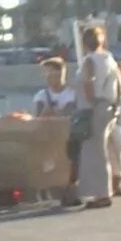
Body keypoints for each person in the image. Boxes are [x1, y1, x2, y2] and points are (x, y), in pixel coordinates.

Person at [73, 24, 121, 208]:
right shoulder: (109, 59)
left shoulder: (89, 61)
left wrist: (91, 101)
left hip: (96, 108)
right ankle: (109, 187)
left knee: (95, 151)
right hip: (110, 107)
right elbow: (120, 85)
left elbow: (89, 82)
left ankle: (102, 193)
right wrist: (117, 106)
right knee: (104, 148)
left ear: (84, 44)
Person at [27, 56, 79, 205]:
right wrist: (47, 113)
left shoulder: (72, 94)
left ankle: (69, 190)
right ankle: (49, 189)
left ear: (61, 74)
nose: (48, 77)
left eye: (52, 73)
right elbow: (36, 119)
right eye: (46, 74)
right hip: (48, 138)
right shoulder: (41, 96)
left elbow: (71, 114)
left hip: (68, 137)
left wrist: (55, 113)